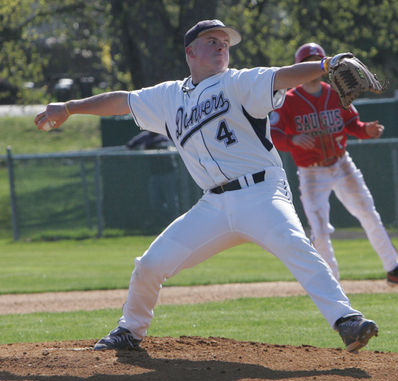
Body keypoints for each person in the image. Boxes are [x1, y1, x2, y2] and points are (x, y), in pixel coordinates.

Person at [35, 20, 379, 353]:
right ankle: (130, 330)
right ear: (190, 52)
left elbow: (281, 75)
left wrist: (324, 64)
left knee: (295, 243)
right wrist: (69, 107)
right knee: (149, 265)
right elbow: (120, 101)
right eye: (212, 40)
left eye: (225, 42)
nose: (221, 46)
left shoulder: (238, 82)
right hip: (213, 205)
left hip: (262, 193)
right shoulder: (168, 97)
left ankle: (346, 319)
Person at [270, 42, 398, 284]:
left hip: (342, 165)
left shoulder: (335, 93)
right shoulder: (287, 100)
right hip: (311, 172)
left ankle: (393, 268)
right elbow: (273, 135)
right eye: (307, 61)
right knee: (319, 230)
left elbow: (352, 125)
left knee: (369, 215)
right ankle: (331, 282)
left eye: (316, 61)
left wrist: (365, 130)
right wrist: (292, 139)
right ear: (300, 66)